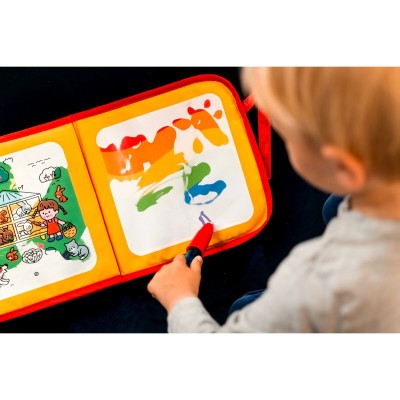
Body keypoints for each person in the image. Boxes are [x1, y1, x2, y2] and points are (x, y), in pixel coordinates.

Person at [147, 67, 400, 332]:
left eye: (287, 136)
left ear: (344, 169)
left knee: (242, 309)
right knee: (334, 207)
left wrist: (179, 299)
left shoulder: (311, 282)